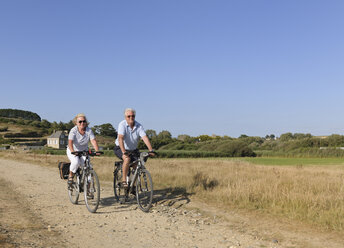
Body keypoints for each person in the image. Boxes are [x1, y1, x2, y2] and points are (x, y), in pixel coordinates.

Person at [114, 108, 155, 189]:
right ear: (125, 117)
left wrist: (151, 150)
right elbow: (120, 138)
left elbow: (145, 138)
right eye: (128, 116)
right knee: (127, 159)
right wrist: (123, 152)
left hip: (133, 149)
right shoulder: (122, 125)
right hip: (120, 148)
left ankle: (133, 184)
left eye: (132, 116)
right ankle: (124, 181)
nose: (131, 118)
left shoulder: (139, 126)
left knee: (137, 165)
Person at [66, 113, 100, 187]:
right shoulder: (73, 130)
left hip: (84, 151)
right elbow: (70, 142)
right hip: (73, 150)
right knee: (76, 162)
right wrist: (72, 151)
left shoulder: (89, 130)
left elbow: (93, 141)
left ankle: (88, 190)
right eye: (80, 121)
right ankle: (71, 176)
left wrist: (97, 150)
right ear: (76, 123)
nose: (82, 123)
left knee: (88, 167)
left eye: (84, 121)